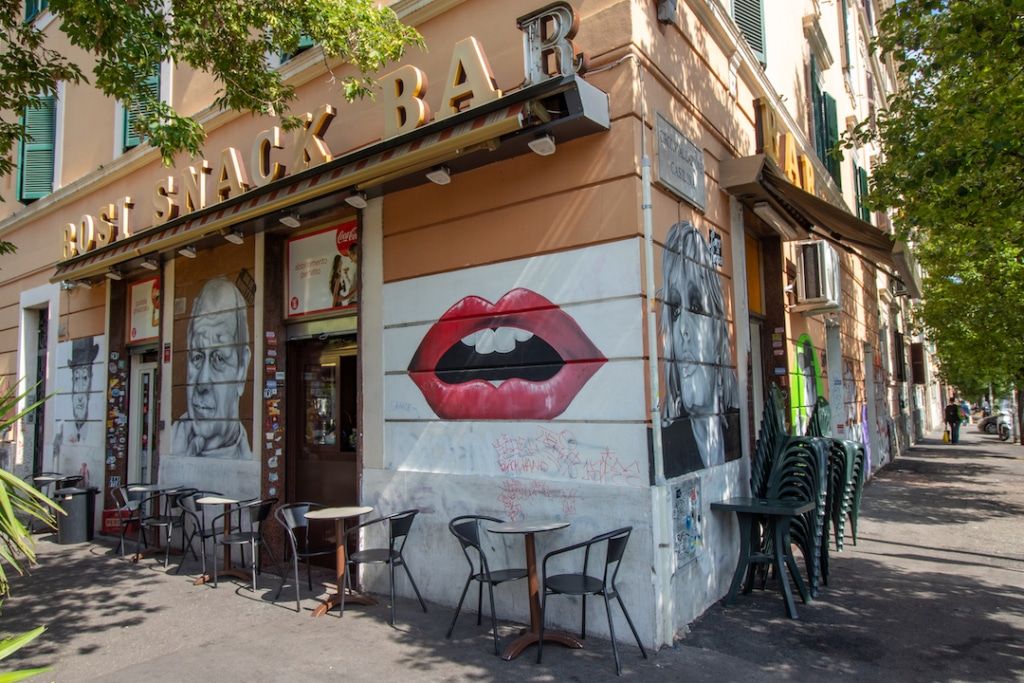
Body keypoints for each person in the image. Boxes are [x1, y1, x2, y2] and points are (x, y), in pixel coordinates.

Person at [659, 221, 740, 470]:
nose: (682, 329)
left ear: (717, 332)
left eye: (694, 306)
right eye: (674, 311)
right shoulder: (666, 452)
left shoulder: (736, 430)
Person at [171, 277, 252, 459]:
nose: (202, 381)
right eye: (197, 357)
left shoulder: (248, 458)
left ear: (242, 369)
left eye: (219, 358)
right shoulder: (172, 442)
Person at [53, 337, 100, 471]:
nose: (79, 394)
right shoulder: (62, 430)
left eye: (84, 378)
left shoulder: (95, 430)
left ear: (91, 382)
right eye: (76, 379)